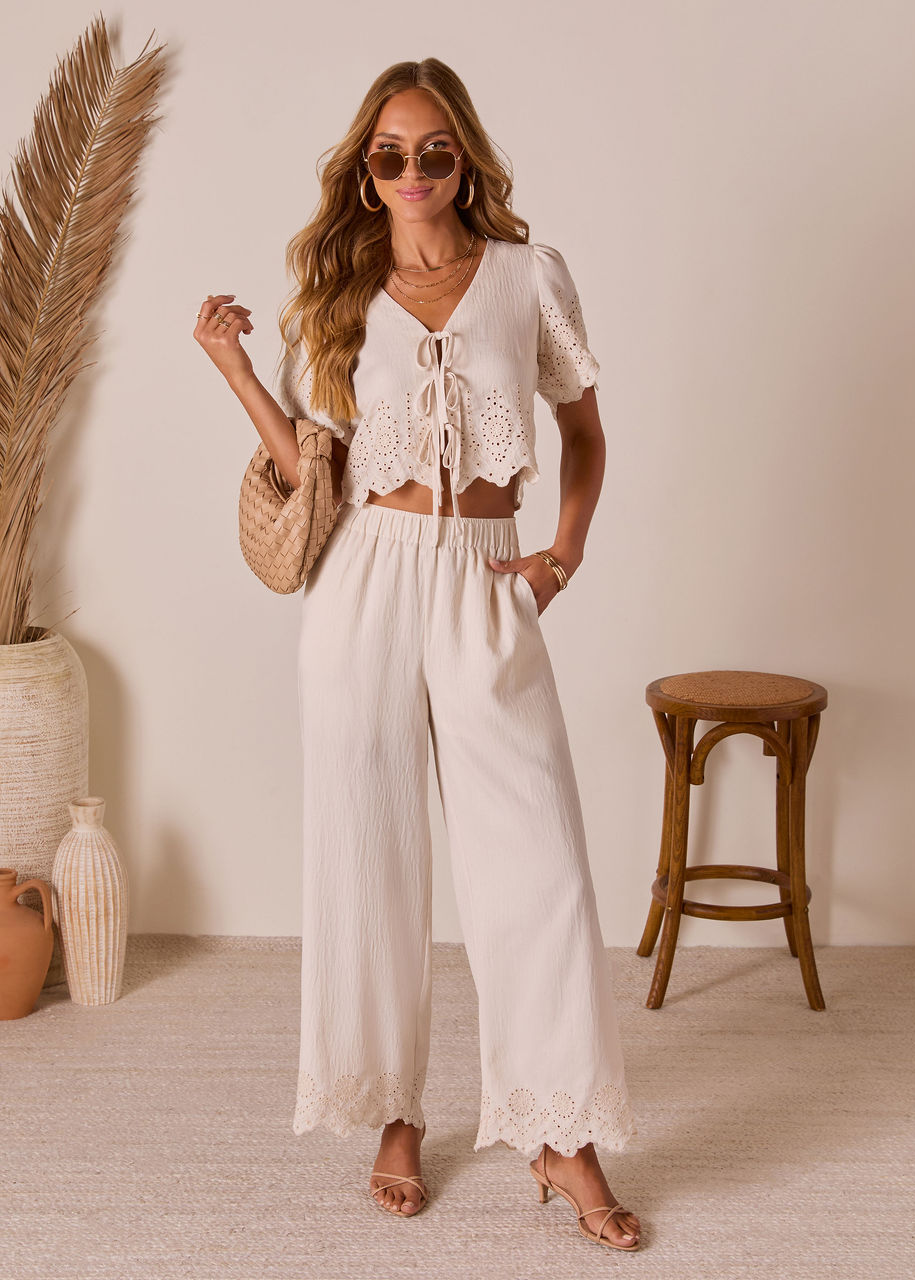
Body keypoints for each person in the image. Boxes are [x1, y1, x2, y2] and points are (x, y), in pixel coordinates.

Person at [194, 58, 642, 1251]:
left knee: (537, 861)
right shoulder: (337, 296)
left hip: (486, 575)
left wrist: (559, 556)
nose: (411, 171)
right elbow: (309, 464)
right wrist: (235, 370)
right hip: (365, 581)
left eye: (433, 150)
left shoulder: (527, 277)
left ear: (464, 159)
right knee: (369, 855)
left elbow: (584, 429)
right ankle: (395, 1110)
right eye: (388, 154)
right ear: (364, 170)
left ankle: (558, 1131)